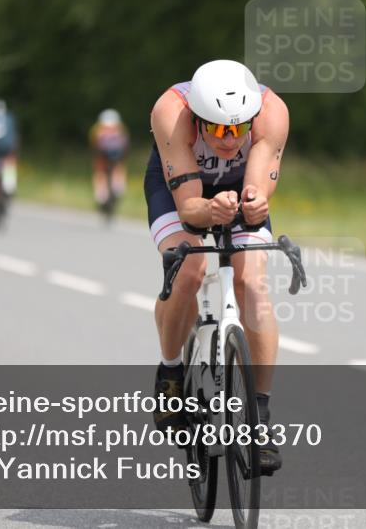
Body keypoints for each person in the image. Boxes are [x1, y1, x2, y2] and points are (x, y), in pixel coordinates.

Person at [145, 59, 289, 475]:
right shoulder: (171, 113)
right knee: (188, 272)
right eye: (220, 129)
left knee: (253, 285)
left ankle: (259, 420)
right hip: (181, 189)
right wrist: (209, 209)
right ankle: (171, 374)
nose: (230, 139)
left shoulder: (272, 111)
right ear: (200, 119)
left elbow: (259, 188)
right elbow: (190, 210)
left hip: (238, 185)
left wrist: (256, 202)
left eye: (240, 128)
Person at [89, 108, 130, 219]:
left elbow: (94, 144)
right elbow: (126, 144)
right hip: (117, 153)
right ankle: (118, 187)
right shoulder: (120, 128)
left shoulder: (97, 128)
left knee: (100, 171)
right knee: (119, 167)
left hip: (102, 154)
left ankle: (101, 195)